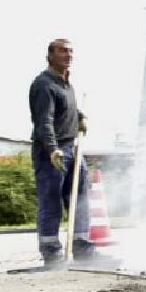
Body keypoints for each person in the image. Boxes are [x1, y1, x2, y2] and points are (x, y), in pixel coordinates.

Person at [28, 38, 92, 267]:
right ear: (50, 55)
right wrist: (53, 149)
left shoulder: (65, 83)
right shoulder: (44, 84)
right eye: (63, 51)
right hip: (51, 151)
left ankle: (83, 247)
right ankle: (52, 253)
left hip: (72, 146)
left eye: (71, 51)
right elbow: (44, 122)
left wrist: (80, 116)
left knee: (81, 196)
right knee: (51, 200)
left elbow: (67, 107)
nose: (68, 55)